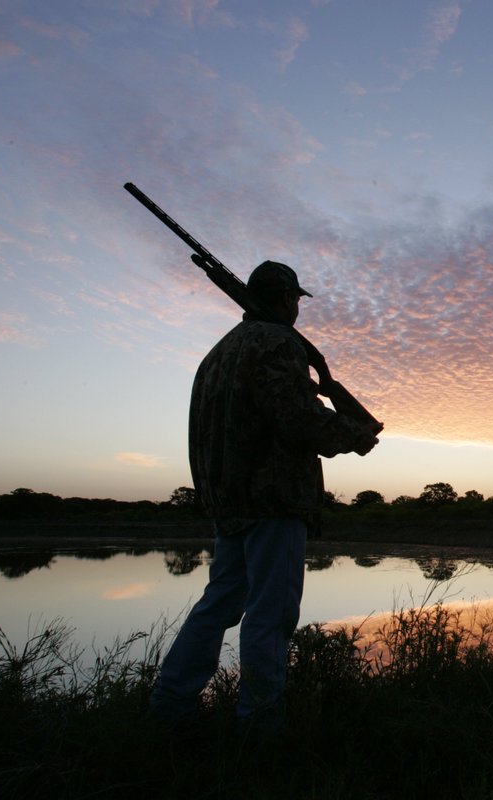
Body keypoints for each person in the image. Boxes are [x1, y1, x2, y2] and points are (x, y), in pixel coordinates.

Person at [148, 260, 379, 732]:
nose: (298, 307)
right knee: (270, 615)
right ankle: (261, 723)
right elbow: (295, 418)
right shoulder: (277, 343)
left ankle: (169, 707)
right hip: (274, 500)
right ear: (284, 299)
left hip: (229, 500)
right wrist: (350, 435)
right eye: (295, 298)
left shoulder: (218, 353)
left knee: (219, 604)